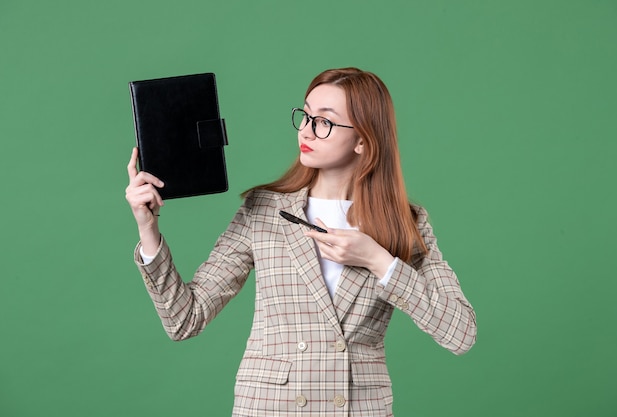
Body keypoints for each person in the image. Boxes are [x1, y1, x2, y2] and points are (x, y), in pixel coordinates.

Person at [125, 67, 476, 417]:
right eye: (305, 115)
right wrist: (148, 229)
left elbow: (460, 333)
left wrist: (378, 260)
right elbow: (185, 319)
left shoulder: (405, 222)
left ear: (363, 141)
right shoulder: (263, 209)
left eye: (324, 122)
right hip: (270, 407)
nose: (306, 131)